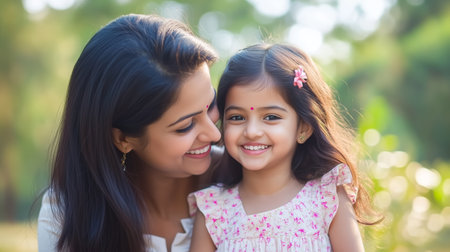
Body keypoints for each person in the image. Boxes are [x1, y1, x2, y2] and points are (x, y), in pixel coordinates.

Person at [37, 14, 223, 252]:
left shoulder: (250, 179)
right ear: (123, 139)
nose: (214, 134)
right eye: (185, 126)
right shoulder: (67, 214)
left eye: (211, 104)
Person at [189, 44, 381, 252]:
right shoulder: (213, 210)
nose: (252, 131)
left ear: (304, 128)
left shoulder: (327, 198)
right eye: (237, 117)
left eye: (271, 117)